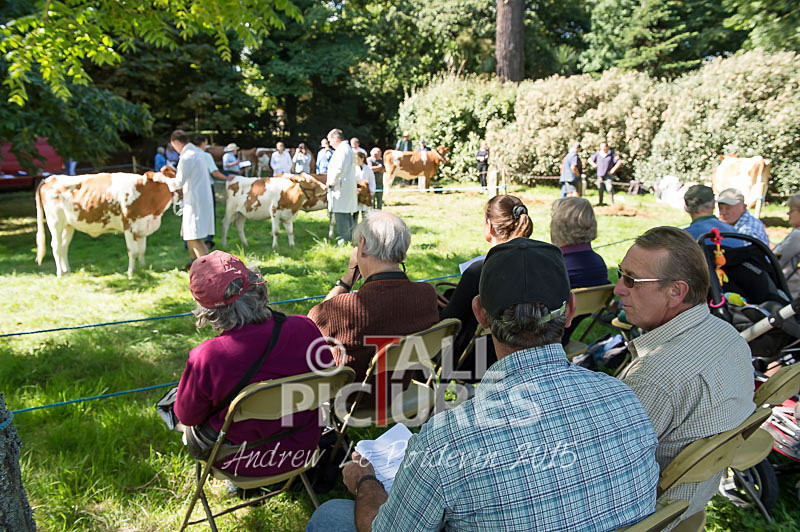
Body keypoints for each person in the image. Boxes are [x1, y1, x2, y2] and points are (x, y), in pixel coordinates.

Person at [308, 238, 660, 532]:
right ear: (569, 311)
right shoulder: (624, 398)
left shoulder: (447, 438)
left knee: (330, 516)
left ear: (480, 314)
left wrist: (365, 481)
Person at [615, 226, 755, 526]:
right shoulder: (728, 335)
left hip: (648, 515)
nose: (618, 289)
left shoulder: (654, 376)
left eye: (631, 280)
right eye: (620, 274)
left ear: (676, 291)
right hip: (689, 503)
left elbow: (606, 470)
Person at [174, 251, 333, 478]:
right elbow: (327, 378)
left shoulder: (207, 357)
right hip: (303, 446)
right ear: (255, 285)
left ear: (205, 308)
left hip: (242, 461)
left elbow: (187, 417)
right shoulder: (304, 328)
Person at [308, 211, 439, 406]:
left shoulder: (342, 309)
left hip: (349, 398)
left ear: (361, 245)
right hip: (398, 389)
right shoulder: (426, 295)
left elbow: (309, 326)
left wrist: (346, 280)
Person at [439, 195, 532, 382]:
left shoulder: (480, 270)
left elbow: (447, 322)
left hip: (475, 361)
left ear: (489, 227)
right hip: (523, 355)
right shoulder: (536, 264)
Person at [550, 197, 609, 343]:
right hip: (565, 340)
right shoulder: (599, 264)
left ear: (557, 224)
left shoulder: (554, 267)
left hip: (537, 342)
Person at [162, 130, 214, 265]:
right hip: (197, 197)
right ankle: (193, 263)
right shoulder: (197, 153)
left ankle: (210, 269)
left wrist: (164, 180)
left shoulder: (187, 157)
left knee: (195, 236)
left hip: (194, 199)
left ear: (176, 142)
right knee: (189, 233)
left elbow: (179, 181)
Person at [193, 134, 232, 250]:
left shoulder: (187, 155)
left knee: (194, 214)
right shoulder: (205, 156)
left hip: (192, 188)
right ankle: (208, 240)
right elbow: (214, 172)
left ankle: (192, 240)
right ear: (204, 143)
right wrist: (227, 178)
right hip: (205, 187)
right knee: (208, 213)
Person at [324, 129, 358, 245]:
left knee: (341, 215)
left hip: (341, 189)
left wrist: (330, 182)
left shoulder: (342, 150)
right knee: (346, 215)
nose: (330, 143)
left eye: (330, 140)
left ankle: (344, 241)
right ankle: (350, 240)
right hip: (345, 188)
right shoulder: (346, 149)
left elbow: (338, 170)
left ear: (336, 138)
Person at [772, 193, 800, 297]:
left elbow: (774, 261)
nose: (788, 213)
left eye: (792, 210)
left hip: (788, 294)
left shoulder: (797, 236)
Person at [588, 141, 623, 206]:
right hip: (600, 174)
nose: (603, 149)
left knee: (609, 188)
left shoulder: (612, 154)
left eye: (604, 147)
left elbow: (620, 161)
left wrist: (613, 169)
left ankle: (612, 203)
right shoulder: (598, 154)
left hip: (608, 175)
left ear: (607, 147)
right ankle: (600, 202)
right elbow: (590, 160)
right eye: (601, 147)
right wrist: (594, 165)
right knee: (600, 189)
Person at [354, 151, 375, 222]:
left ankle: (365, 230)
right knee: (355, 214)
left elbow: (372, 181)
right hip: (356, 193)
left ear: (362, 158)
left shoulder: (368, 169)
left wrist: (372, 192)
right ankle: (354, 230)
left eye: (358, 159)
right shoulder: (352, 169)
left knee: (365, 215)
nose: (356, 161)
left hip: (366, 193)